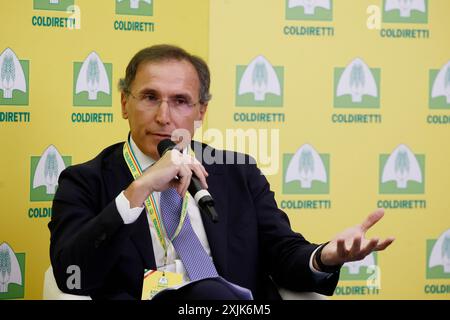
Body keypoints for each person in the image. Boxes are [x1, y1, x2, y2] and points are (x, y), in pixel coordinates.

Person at [49, 44, 395, 300]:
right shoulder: (85, 181)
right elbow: (71, 275)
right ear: (125, 103)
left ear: (201, 111)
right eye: (150, 97)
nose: (164, 116)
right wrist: (136, 191)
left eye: (181, 101)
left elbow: (283, 253)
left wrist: (324, 256)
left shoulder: (237, 173)